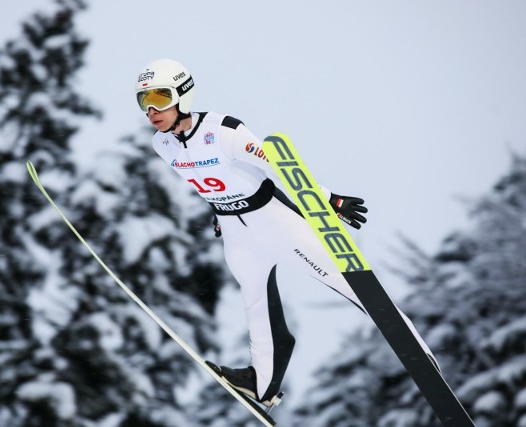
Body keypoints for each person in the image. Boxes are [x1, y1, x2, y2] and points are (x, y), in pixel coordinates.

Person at [134, 58, 436, 407]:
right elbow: (205, 181)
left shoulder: (225, 130)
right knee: (256, 305)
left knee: (354, 286)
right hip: (236, 234)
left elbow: (277, 165)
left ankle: (423, 359)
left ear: (183, 95)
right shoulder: (163, 145)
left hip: (275, 222)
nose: (152, 109)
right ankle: (261, 384)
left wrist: (329, 199)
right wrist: (217, 211)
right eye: (144, 101)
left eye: (160, 97)